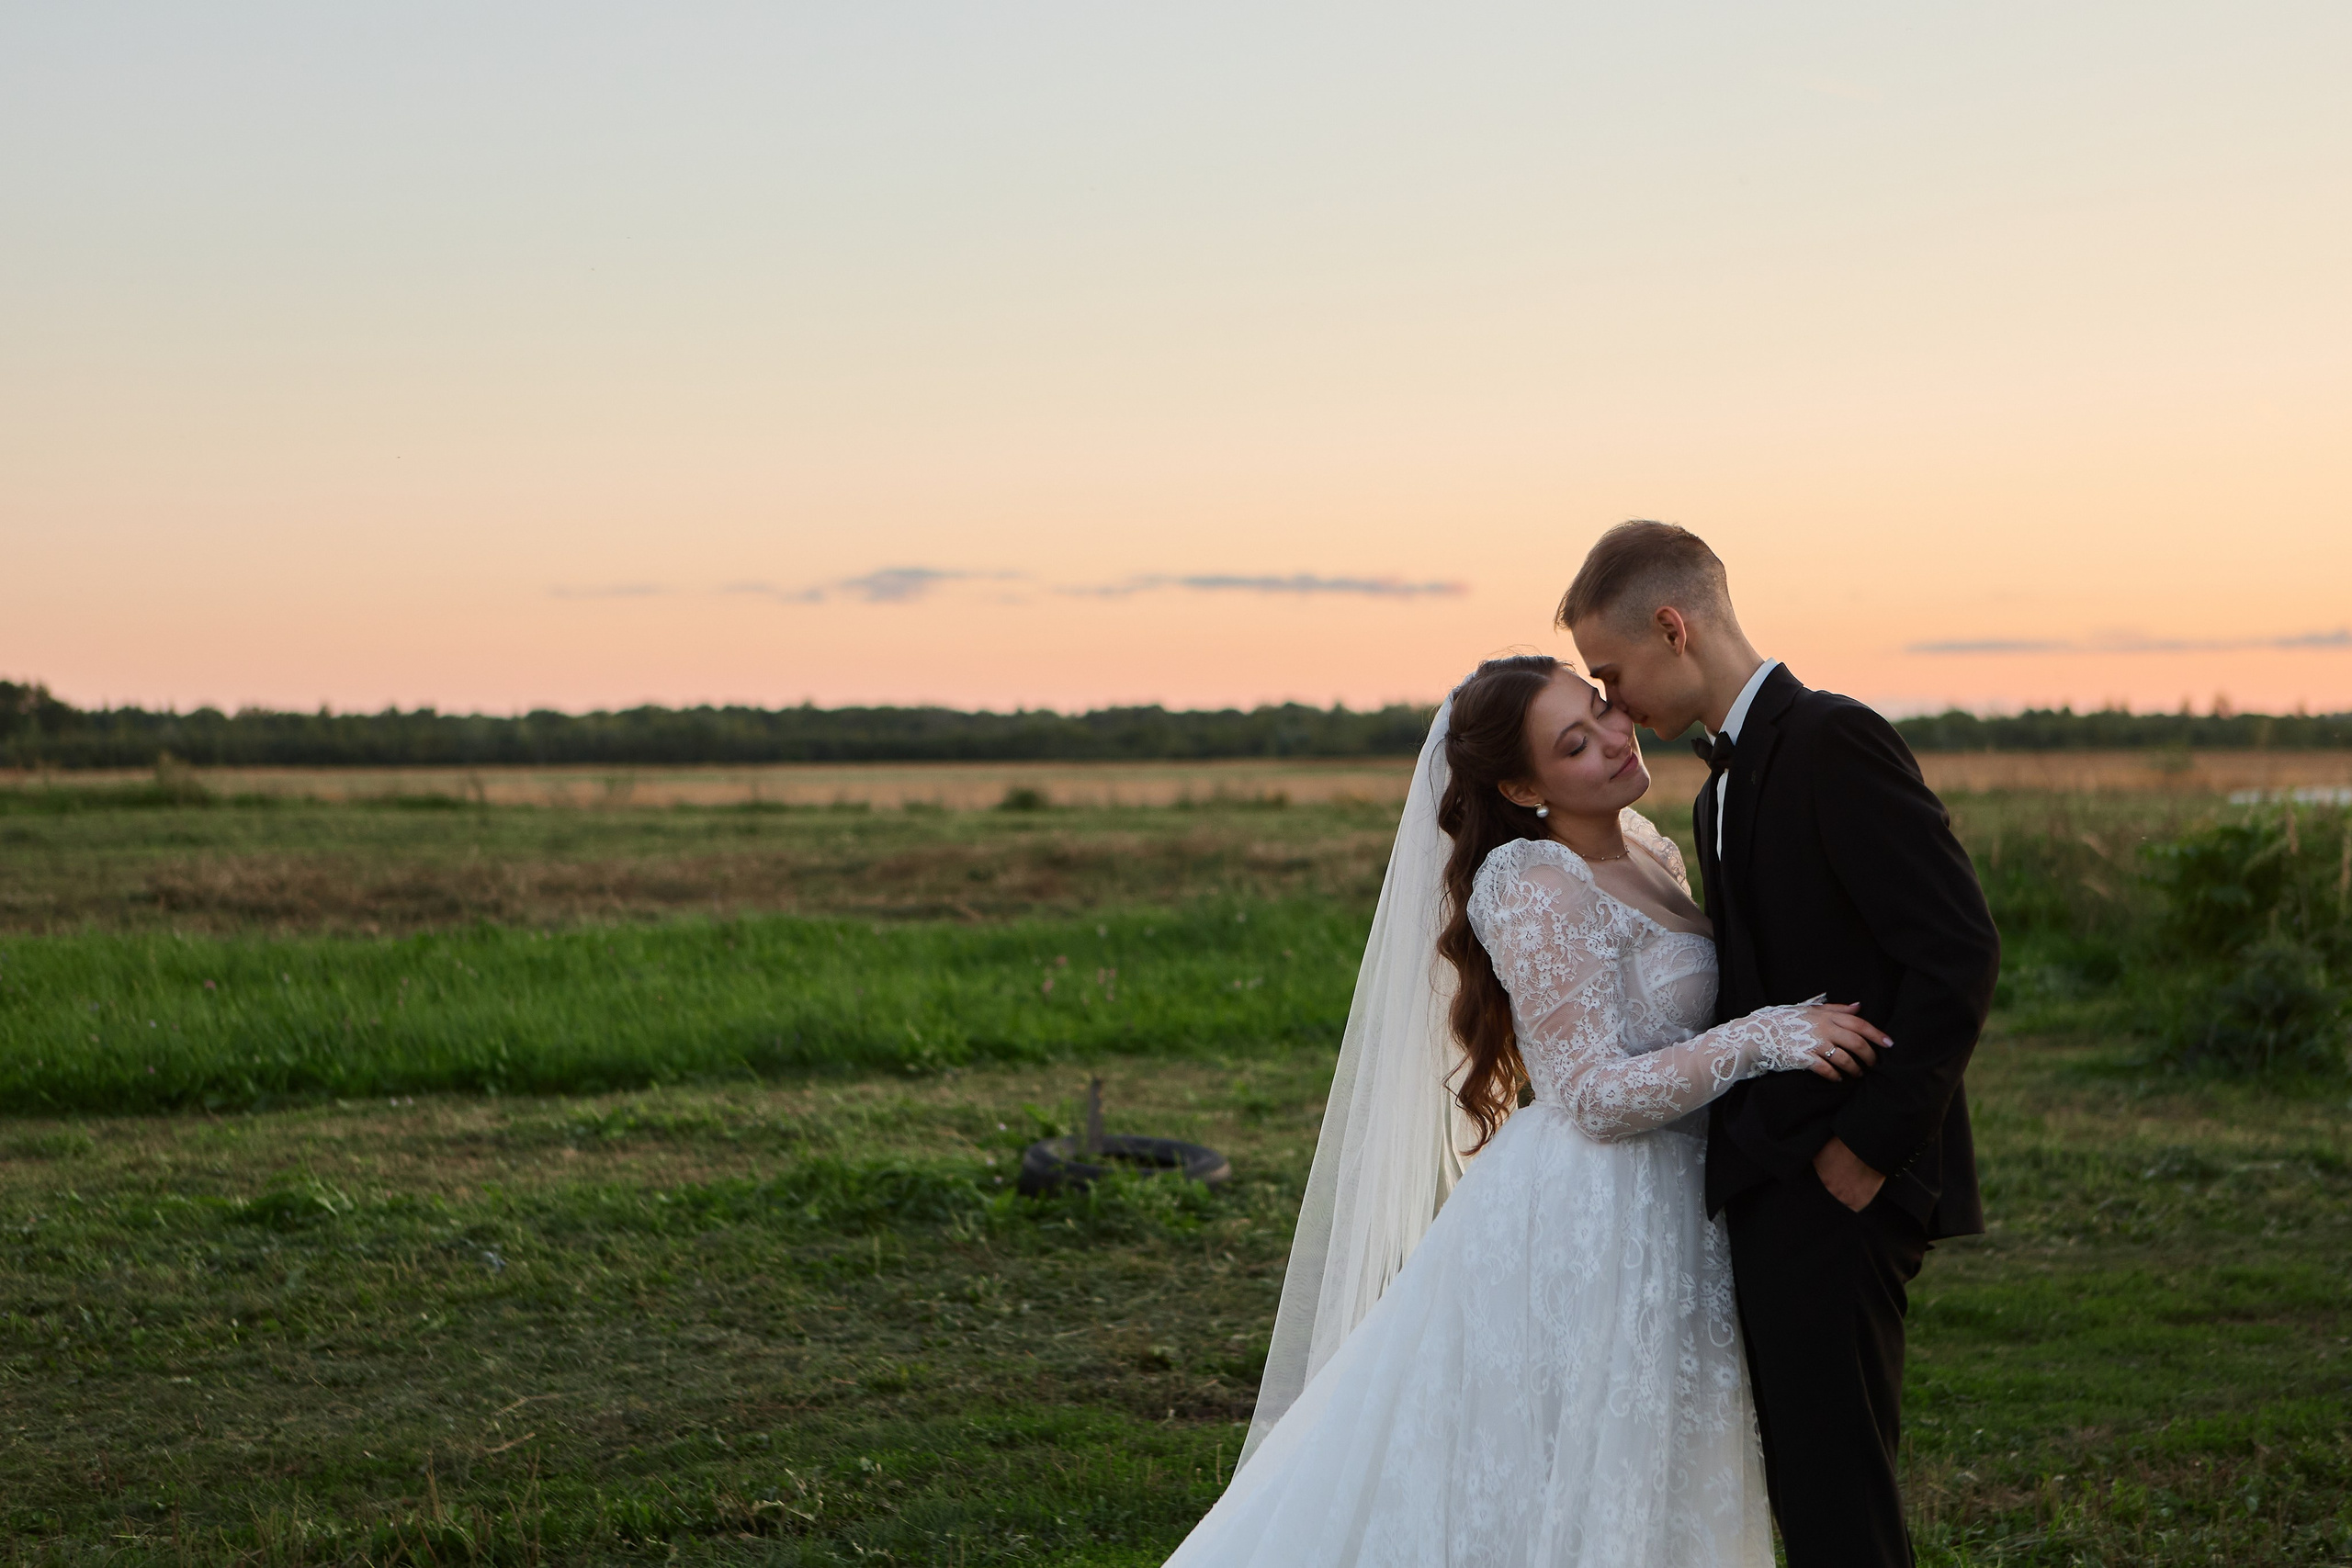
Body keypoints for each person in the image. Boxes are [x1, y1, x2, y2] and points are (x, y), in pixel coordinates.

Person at [1164, 654, 1892, 1567]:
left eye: (1600, 713)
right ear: (1519, 784)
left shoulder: (1649, 850)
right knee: (1558, 1465)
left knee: (1655, 1462)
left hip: (1673, 1198)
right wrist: (1761, 1038)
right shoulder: (1530, 883)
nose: (1614, 741)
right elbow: (1589, 1093)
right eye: (1573, 745)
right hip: (1593, 1211)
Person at [1563, 521, 2001, 1568]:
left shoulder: (1831, 741)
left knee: (1837, 1495)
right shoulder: (1719, 786)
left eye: (1611, 676)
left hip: (1842, 1178)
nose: (1612, 707)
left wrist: (1870, 1148)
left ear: (1673, 627)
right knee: (1806, 1486)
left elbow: (1957, 950)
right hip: (1775, 1174)